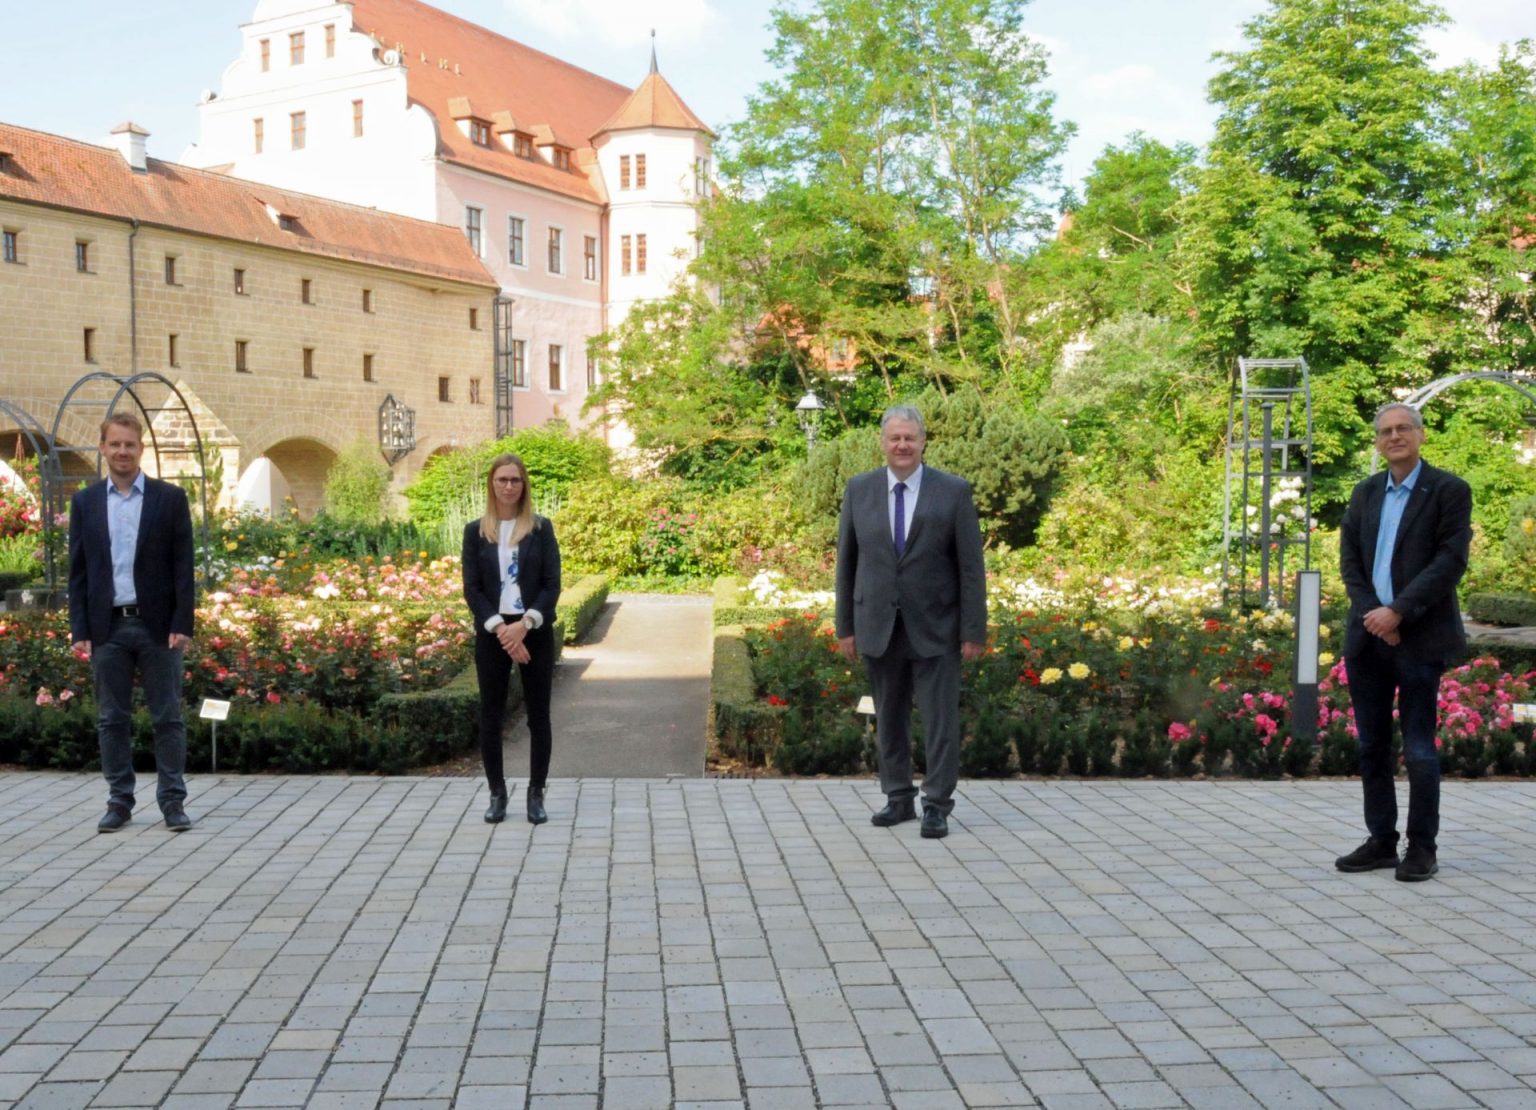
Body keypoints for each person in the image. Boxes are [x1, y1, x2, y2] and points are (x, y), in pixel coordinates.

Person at [835, 405, 986, 839]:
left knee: (940, 721)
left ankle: (936, 804)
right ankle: (897, 798)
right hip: (879, 625)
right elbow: (847, 563)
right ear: (882, 443)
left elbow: (971, 568)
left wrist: (973, 630)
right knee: (890, 717)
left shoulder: (953, 491)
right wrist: (845, 625)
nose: (902, 445)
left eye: (910, 438)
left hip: (938, 626)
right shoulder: (859, 490)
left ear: (923, 442)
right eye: (894, 438)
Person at [1336, 402, 1472, 882]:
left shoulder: (1449, 491)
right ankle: (1380, 842)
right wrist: (1376, 615)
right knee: (1372, 746)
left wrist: (1398, 612)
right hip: (1368, 640)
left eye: (1403, 429)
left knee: (1418, 748)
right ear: (1377, 441)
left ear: (1420, 435)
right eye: (1385, 431)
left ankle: (1422, 847)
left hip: (1419, 639)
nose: (1394, 437)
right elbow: (1350, 561)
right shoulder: (1366, 492)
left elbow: (1450, 561)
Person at [68, 413, 196, 833]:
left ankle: (172, 802)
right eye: (115, 444)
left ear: (141, 449)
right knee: (111, 719)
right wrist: (80, 629)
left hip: (159, 627)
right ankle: (119, 802)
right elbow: (79, 573)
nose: (122, 451)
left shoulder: (169, 498)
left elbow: (183, 568)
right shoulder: (85, 502)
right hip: (108, 628)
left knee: (168, 717)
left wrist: (183, 622)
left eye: (130, 444)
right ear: (102, 449)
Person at [462, 453, 561, 824]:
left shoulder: (540, 528)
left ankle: (536, 794)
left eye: (515, 480)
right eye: (502, 479)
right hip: (493, 633)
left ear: (524, 485)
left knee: (539, 716)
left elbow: (552, 584)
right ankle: (497, 793)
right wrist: (501, 628)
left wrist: (526, 623)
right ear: (491, 483)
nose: (508, 486)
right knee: (491, 715)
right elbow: (472, 588)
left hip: (532, 630)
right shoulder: (475, 531)